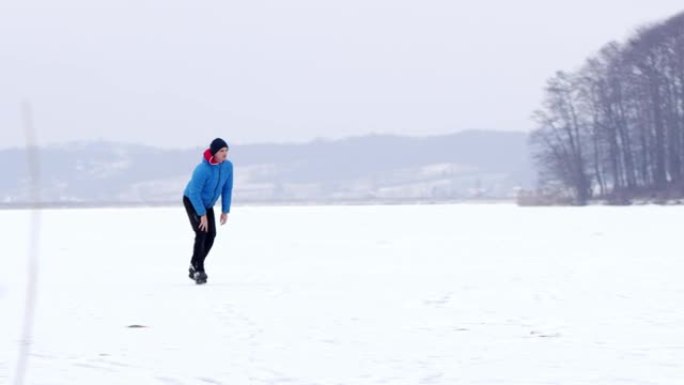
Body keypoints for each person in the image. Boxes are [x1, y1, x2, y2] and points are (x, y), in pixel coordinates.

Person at [183, 138, 233, 284]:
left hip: (207, 204)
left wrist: (225, 210)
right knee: (202, 231)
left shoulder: (228, 167)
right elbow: (194, 193)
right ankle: (199, 270)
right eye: (221, 151)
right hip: (192, 201)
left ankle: (194, 264)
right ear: (214, 152)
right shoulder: (202, 169)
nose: (225, 154)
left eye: (226, 151)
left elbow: (227, 188)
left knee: (211, 235)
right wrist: (201, 214)